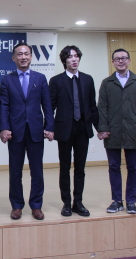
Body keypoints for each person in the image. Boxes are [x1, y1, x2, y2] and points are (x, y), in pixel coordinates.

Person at [0, 42, 54, 221]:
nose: (23, 57)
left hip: (36, 131)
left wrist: (50, 127)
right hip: (15, 132)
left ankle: (36, 205)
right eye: (19, 54)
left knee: (36, 171)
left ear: (31, 56)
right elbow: (4, 106)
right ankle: (17, 205)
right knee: (15, 171)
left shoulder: (40, 78)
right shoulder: (7, 80)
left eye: (26, 54)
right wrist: (4, 127)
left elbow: (47, 105)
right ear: (13, 58)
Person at [97, 48, 136, 214]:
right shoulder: (107, 83)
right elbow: (102, 108)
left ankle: (131, 201)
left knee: (133, 168)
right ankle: (116, 201)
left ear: (129, 60)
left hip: (133, 130)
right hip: (113, 131)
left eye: (123, 58)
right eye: (117, 59)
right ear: (113, 62)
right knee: (114, 167)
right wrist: (103, 128)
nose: (120, 61)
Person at [49, 46, 99, 217]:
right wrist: (48, 128)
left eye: (77, 56)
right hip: (64, 129)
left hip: (82, 129)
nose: (74, 59)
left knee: (80, 168)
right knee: (64, 168)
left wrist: (100, 129)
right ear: (64, 60)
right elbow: (50, 107)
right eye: (70, 57)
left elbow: (93, 106)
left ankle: (78, 201)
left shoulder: (87, 79)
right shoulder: (56, 81)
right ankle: (66, 203)